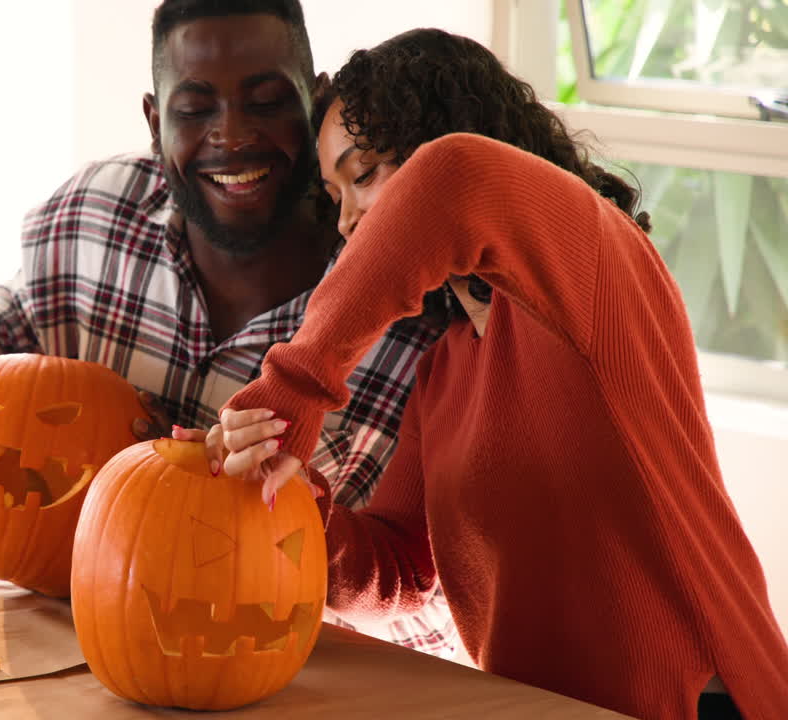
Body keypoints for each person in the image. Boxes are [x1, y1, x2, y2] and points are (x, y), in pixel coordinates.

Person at [210, 28, 788, 719]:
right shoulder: (445, 371)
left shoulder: (599, 265)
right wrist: (295, 507)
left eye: (362, 174)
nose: (347, 220)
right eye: (334, 194)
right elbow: (397, 572)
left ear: (444, 133)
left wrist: (292, 391)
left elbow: (453, 180)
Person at [0, 0, 460, 657]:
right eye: (194, 109)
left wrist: (305, 520)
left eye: (269, 100)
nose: (232, 135)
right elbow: (11, 354)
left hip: (296, 677)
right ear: (153, 119)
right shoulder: (92, 213)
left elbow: (430, 614)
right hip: (58, 645)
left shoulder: (423, 316)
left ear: (318, 102)